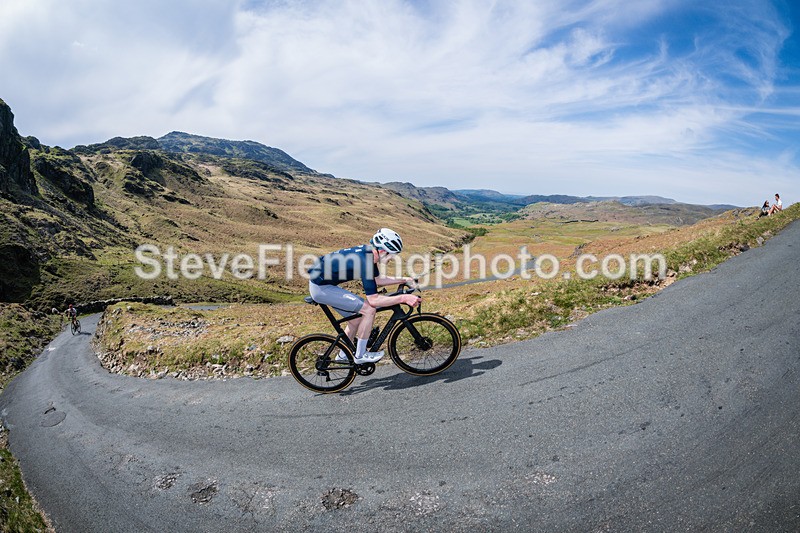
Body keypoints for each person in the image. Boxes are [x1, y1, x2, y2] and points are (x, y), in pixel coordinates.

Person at [307, 228, 420, 363]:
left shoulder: (369, 254)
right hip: (321, 289)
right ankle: (360, 355)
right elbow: (374, 300)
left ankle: (343, 355)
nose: (392, 258)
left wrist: (404, 279)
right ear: (383, 251)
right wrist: (403, 298)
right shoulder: (365, 261)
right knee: (368, 310)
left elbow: (377, 280)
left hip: (324, 284)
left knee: (356, 319)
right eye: (392, 255)